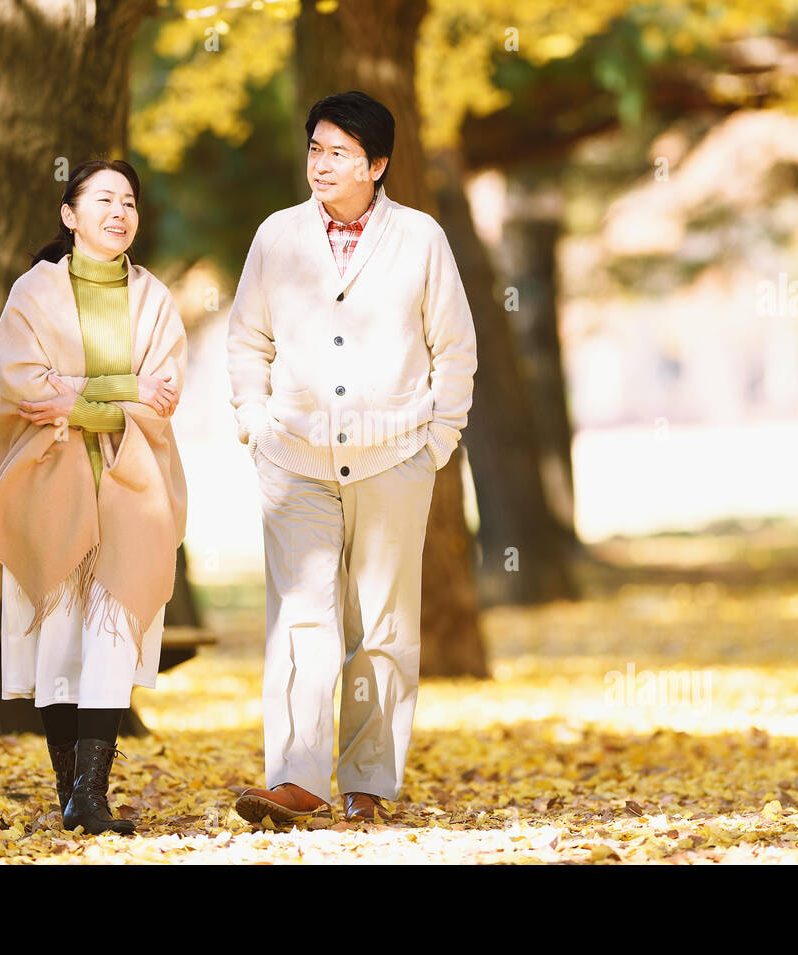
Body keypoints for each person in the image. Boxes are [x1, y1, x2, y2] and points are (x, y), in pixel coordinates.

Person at [226, 91, 477, 826]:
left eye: (339, 152)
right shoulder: (276, 236)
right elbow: (247, 339)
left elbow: (453, 349)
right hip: (294, 460)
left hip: (394, 457)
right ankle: (297, 778)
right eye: (315, 149)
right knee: (302, 618)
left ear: (377, 164)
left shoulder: (422, 238)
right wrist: (254, 422)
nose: (321, 163)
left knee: (382, 626)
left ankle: (366, 780)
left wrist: (437, 442)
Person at [0, 158, 188, 836]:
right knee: (59, 635)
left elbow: (166, 394)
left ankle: (90, 794)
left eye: (129, 201)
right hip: (51, 483)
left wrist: (81, 393)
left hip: (132, 487)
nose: (120, 211)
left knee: (112, 632)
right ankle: (72, 790)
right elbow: (28, 389)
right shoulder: (32, 294)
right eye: (104, 198)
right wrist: (122, 391)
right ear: (70, 215)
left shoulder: (154, 298)